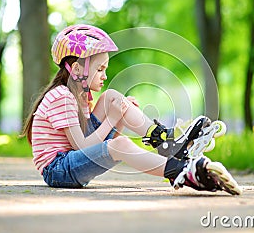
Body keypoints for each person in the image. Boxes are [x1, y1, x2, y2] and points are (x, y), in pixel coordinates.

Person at [21, 24, 241, 195]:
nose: (104, 75)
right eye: (100, 69)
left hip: (73, 161)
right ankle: (179, 171)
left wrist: (120, 118)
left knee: (112, 98)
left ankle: (165, 140)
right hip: (59, 170)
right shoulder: (62, 97)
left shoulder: (79, 97)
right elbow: (83, 145)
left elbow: (100, 147)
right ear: (77, 69)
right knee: (121, 143)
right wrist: (111, 121)